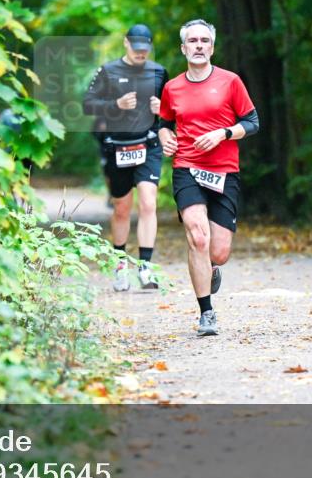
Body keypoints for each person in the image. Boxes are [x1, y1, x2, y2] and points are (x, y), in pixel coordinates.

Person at [157, 19, 260, 336]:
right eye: (193, 41)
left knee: (218, 252)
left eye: (204, 41)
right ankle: (206, 313)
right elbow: (164, 124)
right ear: (183, 48)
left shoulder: (230, 82)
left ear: (212, 48)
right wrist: (165, 139)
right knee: (198, 238)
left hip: (224, 172)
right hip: (186, 168)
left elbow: (252, 122)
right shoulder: (172, 87)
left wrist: (223, 133)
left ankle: (211, 267)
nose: (199, 45)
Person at [83, 24, 169, 291]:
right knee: (121, 208)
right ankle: (120, 264)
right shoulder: (108, 71)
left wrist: (163, 108)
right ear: (126, 44)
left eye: (145, 49)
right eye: (136, 48)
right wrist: (116, 105)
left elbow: (173, 110)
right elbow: (87, 104)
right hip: (118, 147)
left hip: (149, 145)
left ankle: (145, 267)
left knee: (148, 203)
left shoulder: (159, 72)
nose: (140, 53)